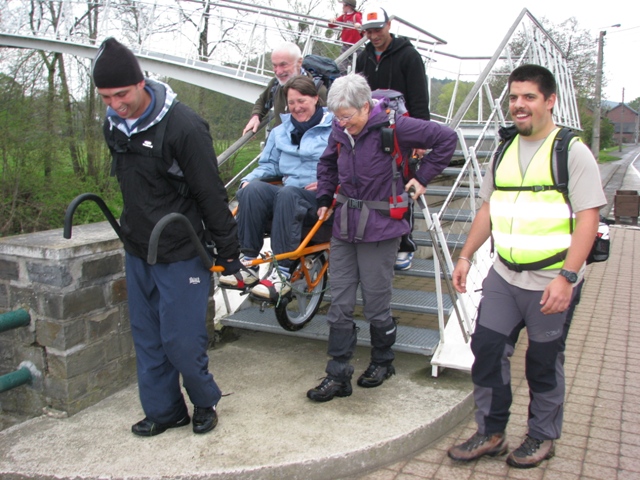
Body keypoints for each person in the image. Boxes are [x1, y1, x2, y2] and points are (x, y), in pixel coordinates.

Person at [447, 64, 606, 468]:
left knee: (542, 362)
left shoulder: (571, 151)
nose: (519, 105)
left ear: (549, 101)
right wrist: (465, 255)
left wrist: (568, 278)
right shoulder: (502, 149)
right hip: (504, 274)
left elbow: (589, 217)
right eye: (514, 97)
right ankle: (491, 432)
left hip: (552, 280)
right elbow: (488, 208)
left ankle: (541, 436)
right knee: (486, 349)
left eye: (529, 97)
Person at [92, 38, 241, 437]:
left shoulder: (184, 126)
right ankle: (165, 410)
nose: (115, 104)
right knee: (147, 338)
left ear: (141, 82)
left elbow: (211, 193)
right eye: (105, 97)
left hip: (181, 249)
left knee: (180, 340)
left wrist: (229, 252)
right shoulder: (112, 124)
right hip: (139, 246)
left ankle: (205, 401)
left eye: (120, 94)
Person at [308, 74, 457, 402]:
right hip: (346, 224)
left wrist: (421, 179)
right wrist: (323, 200)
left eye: (348, 117)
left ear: (366, 107)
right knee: (341, 302)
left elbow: (447, 138)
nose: (343, 124)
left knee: (376, 301)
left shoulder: (397, 126)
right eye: (337, 117)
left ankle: (382, 361)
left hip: (381, 225)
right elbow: (327, 164)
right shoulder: (341, 128)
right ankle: (338, 374)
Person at [220, 76, 333, 300]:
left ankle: (281, 274)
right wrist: (248, 180)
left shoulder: (334, 127)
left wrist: (330, 181)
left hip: (320, 198)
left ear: (316, 99)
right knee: (253, 190)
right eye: (291, 103)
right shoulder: (280, 131)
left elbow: (347, 162)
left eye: (302, 101)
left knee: (287, 193)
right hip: (288, 196)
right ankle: (248, 262)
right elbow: (269, 164)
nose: (296, 107)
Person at [355, 6, 432, 270]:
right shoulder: (363, 57)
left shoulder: (409, 56)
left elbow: (420, 97)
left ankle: (404, 243)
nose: (373, 36)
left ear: (389, 25)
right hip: (371, 130)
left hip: (402, 129)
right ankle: (377, 238)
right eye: (368, 31)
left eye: (377, 29)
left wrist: (421, 138)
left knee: (402, 183)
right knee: (376, 184)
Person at [242, 42, 328, 135]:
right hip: (280, 142)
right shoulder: (276, 84)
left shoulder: (318, 90)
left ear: (299, 62)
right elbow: (262, 100)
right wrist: (256, 116)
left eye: (283, 65)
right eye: (275, 65)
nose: (278, 72)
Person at [328, 0, 363, 75]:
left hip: (355, 47)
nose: (342, 7)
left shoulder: (356, 15)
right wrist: (332, 20)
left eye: (344, 5)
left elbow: (360, 24)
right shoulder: (344, 16)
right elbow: (332, 25)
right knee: (341, 67)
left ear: (348, 6)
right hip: (345, 46)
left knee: (358, 68)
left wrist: (358, 25)